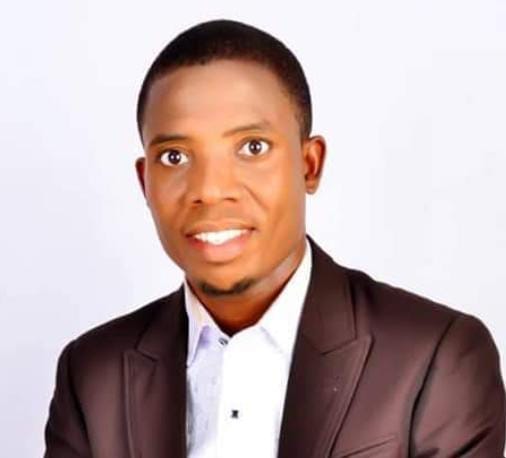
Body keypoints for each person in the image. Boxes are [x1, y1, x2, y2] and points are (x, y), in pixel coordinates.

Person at [43, 19, 506, 458]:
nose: (210, 189)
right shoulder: (92, 374)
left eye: (252, 147)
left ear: (310, 165)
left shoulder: (434, 356)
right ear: (145, 182)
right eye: (175, 156)